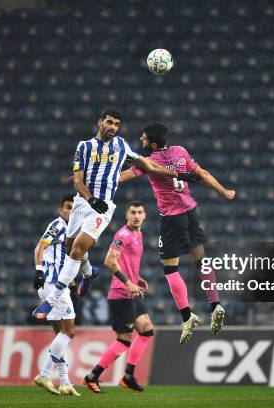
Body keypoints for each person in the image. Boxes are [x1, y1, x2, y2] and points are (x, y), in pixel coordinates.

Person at [33, 108, 196, 319]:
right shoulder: (84, 147)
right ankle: (89, 273)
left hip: (104, 208)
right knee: (69, 246)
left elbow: (146, 164)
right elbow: (78, 181)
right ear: (100, 122)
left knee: (77, 250)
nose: (113, 127)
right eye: (109, 122)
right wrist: (91, 199)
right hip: (83, 203)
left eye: (117, 124)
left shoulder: (121, 145)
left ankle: (51, 300)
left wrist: (177, 174)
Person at [119, 122, 236, 344]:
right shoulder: (180, 151)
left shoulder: (149, 162)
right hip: (191, 211)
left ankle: (187, 316)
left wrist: (101, 179)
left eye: (144, 138)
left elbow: (124, 176)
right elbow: (201, 173)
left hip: (172, 218)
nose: (141, 141)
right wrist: (224, 191)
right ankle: (215, 304)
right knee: (201, 261)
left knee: (170, 268)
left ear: (152, 143)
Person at [82, 201, 153, 393]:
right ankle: (92, 376)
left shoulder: (139, 235)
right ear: (126, 216)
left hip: (132, 292)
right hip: (121, 294)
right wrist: (128, 282)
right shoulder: (123, 235)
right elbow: (109, 260)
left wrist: (136, 278)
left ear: (144, 215)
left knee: (146, 330)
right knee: (124, 340)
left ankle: (128, 376)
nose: (137, 215)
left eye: (140, 212)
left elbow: (125, 263)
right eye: (133, 212)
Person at [32, 193, 89, 397]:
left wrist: (73, 281)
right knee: (69, 332)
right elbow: (40, 246)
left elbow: (65, 259)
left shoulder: (73, 230)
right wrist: (38, 270)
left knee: (60, 335)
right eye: (67, 207)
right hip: (53, 285)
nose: (70, 210)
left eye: (73, 207)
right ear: (60, 209)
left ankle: (64, 382)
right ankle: (44, 374)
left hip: (56, 284)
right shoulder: (58, 225)